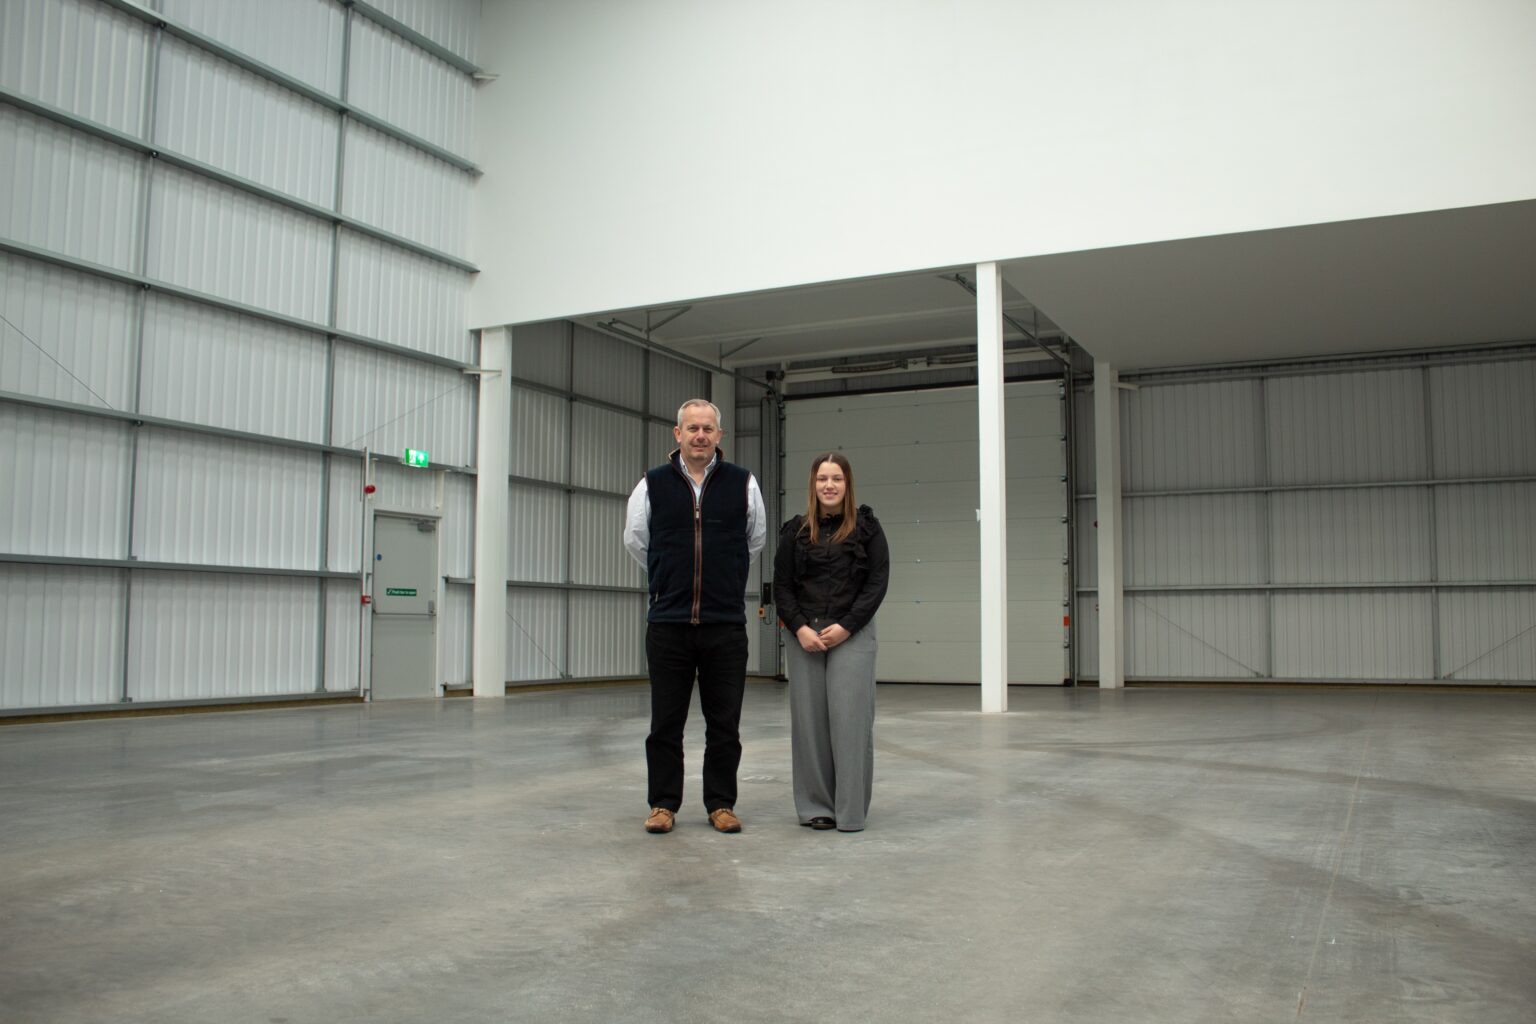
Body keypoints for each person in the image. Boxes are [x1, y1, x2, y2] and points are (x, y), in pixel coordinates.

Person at [623, 399, 767, 834]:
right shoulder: (652, 485)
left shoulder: (743, 483)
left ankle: (721, 803)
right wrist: (670, 579)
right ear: (678, 434)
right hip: (668, 625)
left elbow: (753, 539)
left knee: (725, 724)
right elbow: (637, 541)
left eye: (708, 428)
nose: (700, 435)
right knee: (665, 722)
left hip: (725, 626)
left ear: (719, 436)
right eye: (692, 428)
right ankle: (663, 804)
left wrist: (724, 577)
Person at [773, 452, 889, 833]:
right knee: (809, 725)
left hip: (851, 633)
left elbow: (876, 584)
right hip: (803, 634)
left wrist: (847, 626)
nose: (829, 485)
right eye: (822, 478)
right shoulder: (795, 531)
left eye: (836, 478)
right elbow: (784, 586)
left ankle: (851, 811)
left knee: (851, 722)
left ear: (847, 484)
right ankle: (815, 807)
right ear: (813, 484)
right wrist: (800, 628)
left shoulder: (868, 529)